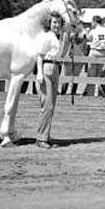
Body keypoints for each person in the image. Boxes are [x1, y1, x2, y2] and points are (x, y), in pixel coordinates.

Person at [35, 13, 65, 148]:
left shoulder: (60, 37)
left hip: (56, 67)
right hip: (46, 67)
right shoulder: (46, 37)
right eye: (54, 22)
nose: (56, 25)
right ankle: (40, 138)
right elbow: (40, 56)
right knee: (47, 105)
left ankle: (46, 135)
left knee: (52, 106)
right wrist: (40, 73)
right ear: (49, 23)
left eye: (58, 22)